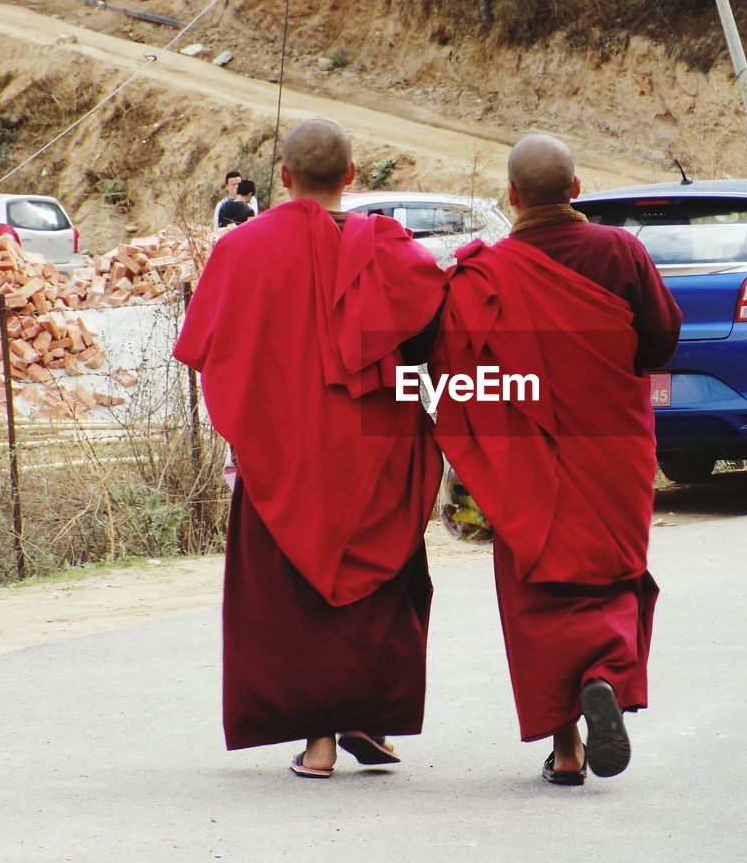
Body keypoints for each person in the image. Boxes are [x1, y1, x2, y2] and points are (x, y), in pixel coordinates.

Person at [174, 119, 447, 778]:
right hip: (370, 456)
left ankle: (320, 743)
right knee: (372, 590)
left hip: (282, 457)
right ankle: (362, 718)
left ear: (285, 179)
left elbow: (210, 353)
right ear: (351, 177)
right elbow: (435, 331)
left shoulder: (240, 250)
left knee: (293, 595)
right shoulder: (390, 248)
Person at [429, 133, 682, 785]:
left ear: (511, 197)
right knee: (612, 572)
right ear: (576, 190)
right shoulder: (620, 252)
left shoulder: (483, 276)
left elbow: (455, 372)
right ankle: (603, 673)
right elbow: (661, 339)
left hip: (524, 458)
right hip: (612, 447)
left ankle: (566, 748)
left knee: (537, 591)